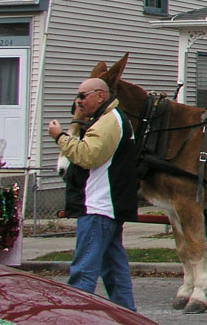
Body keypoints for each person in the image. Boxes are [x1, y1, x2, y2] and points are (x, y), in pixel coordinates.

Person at [48, 77, 140, 309]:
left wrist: (60, 137)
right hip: (107, 208)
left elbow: (87, 156)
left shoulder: (109, 121)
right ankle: (129, 318)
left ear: (101, 95)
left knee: (83, 271)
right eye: (77, 96)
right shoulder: (107, 120)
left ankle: (76, 319)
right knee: (114, 271)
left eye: (82, 96)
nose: (78, 102)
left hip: (98, 207)